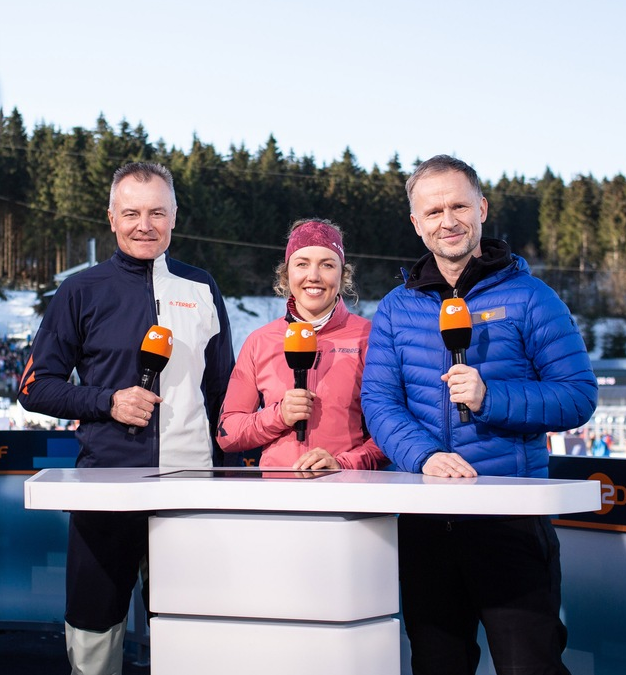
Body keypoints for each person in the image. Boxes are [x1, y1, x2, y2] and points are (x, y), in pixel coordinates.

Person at [360, 154, 598, 675]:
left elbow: (578, 396)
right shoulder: (398, 308)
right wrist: (423, 456)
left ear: (483, 208)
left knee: (529, 666)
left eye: (459, 205)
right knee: (438, 664)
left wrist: (492, 397)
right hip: (427, 521)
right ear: (416, 223)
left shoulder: (532, 297)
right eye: (434, 210)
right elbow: (378, 401)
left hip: (509, 518)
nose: (448, 220)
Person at [18, 161, 234, 675]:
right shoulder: (80, 290)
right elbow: (33, 387)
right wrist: (106, 401)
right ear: (112, 217)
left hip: (191, 488)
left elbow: (224, 395)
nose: (145, 224)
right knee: (94, 637)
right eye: (132, 212)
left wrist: (232, 477)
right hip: (107, 487)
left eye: (157, 212)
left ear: (175, 217)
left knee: (191, 637)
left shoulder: (202, 287)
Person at [217, 218, 388, 471]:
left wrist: (343, 464)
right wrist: (279, 415)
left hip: (349, 497)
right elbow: (228, 434)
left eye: (327, 265)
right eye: (302, 264)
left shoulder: (370, 337)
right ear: (287, 274)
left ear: (343, 274)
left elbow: (390, 433)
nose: (314, 276)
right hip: (279, 498)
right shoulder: (260, 341)